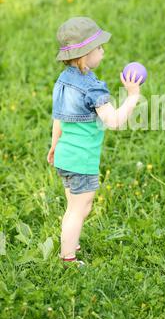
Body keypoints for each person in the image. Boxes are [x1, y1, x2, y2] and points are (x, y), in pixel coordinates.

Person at [47, 17, 143, 267]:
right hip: (81, 160)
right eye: (99, 47)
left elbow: (58, 118)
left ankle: (71, 238)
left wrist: (54, 145)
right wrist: (132, 97)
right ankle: (68, 257)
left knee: (76, 206)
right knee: (79, 209)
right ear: (85, 54)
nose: (103, 51)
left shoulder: (63, 81)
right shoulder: (92, 87)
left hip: (65, 155)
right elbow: (114, 121)